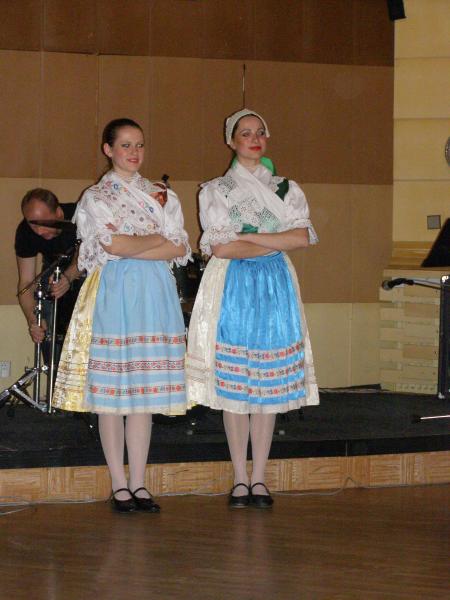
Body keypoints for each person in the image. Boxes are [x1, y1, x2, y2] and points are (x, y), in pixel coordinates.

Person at [52, 118, 191, 513]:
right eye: (126, 144)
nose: (134, 152)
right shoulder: (96, 197)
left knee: (143, 394)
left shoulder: (162, 194)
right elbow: (111, 245)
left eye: (140, 144)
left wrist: (136, 244)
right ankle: (118, 484)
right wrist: (155, 240)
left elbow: (179, 247)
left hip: (154, 293)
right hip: (114, 292)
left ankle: (139, 482)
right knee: (113, 395)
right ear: (108, 149)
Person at [186, 108, 319, 508]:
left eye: (260, 132)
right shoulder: (215, 190)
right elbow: (222, 248)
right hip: (233, 285)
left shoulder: (286, 188)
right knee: (236, 386)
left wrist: (251, 236)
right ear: (231, 140)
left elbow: (302, 237)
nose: (254, 138)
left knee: (267, 387)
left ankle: (259, 477)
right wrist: (275, 238)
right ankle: (240, 478)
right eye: (245, 133)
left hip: (275, 285)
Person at [15, 188, 82, 361]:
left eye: (43, 223)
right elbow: (26, 282)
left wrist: (69, 277)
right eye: (33, 225)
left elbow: (89, 254)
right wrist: (33, 320)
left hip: (88, 270)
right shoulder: (25, 231)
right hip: (53, 271)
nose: (39, 231)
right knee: (46, 324)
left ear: (58, 213)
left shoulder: (82, 215)